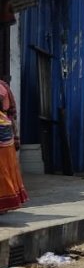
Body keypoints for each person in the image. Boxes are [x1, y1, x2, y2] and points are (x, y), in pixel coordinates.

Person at [0, 76, 27, 212]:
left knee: (4, 172)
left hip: (3, 136)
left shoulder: (2, 88)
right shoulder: (4, 86)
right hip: (6, 134)